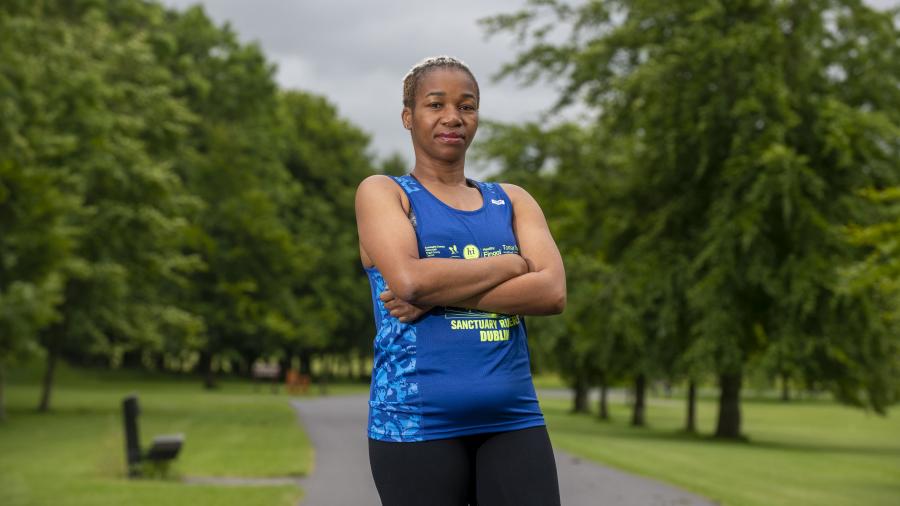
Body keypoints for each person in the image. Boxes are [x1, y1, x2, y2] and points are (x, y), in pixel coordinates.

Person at [355, 56, 565, 506]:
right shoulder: (384, 193)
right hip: (415, 422)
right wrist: (511, 264)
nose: (453, 117)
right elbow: (409, 281)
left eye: (466, 106)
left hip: (513, 419)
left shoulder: (512, 200)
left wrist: (438, 291)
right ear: (409, 116)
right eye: (436, 104)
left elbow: (551, 291)